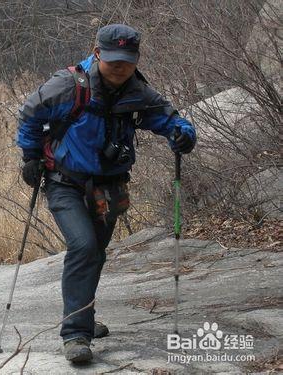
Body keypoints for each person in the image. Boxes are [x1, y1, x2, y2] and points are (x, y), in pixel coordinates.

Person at [16, 24, 196, 363]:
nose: (120, 67)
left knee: (95, 252)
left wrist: (184, 135)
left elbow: (171, 120)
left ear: (136, 59)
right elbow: (30, 113)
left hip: (110, 189)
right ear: (97, 53)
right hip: (64, 182)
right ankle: (75, 336)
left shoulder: (138, 92)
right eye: (113, 60)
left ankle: (81, 316)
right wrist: (29, 156)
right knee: (83, 245)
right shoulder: (69, 86)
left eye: (127, 61)